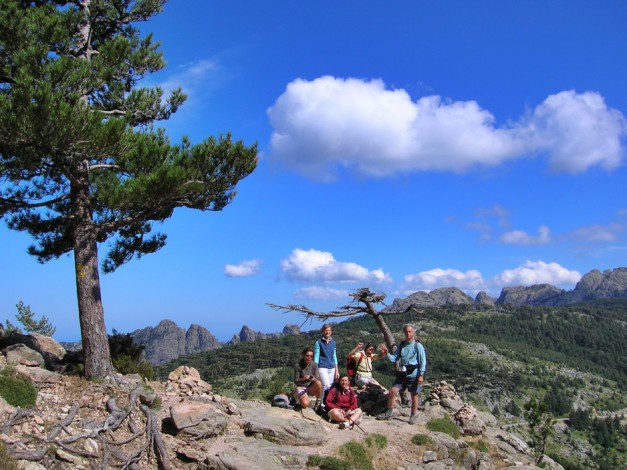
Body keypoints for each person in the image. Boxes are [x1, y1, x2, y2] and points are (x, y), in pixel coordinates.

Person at [377, 323, 426, 424]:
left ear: (413, 332)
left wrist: (421, 375)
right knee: (393, 391)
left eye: (410, 331)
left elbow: (422, 361)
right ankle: (389, 412)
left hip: (414, 374)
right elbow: (395, 358)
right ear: (404, 332)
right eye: (406, 332)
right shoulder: (402, 345)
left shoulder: (418, 345)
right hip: (403, 373)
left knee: (414, 395)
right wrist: (386, 354)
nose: (408, 333)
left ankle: (413, 415)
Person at [314, 324, 339, 401]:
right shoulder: (318, 342)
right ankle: (323, 403)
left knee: (330, 386)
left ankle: (325, 402)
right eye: (326, 330)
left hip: (332, 368)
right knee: (326, 385)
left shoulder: (333, 342)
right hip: (322, 367)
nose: (327, 332)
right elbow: (316, 357)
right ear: (323, 331)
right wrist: (316, 370)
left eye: (329, 330)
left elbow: (334, 357)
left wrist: (337, 370)